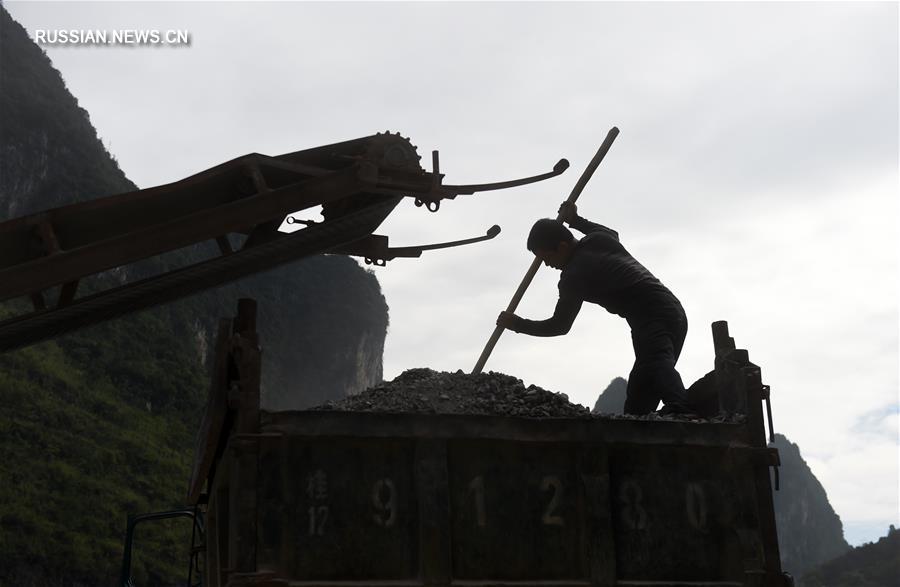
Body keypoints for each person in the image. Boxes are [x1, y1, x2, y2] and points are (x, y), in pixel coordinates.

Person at [496, 201, 692, 415]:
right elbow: (611, 232)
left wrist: (517, 324)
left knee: (656, 362)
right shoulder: (599, 239)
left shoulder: (574, 274)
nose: (547, 265)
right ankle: (640, 422)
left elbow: (560, 325)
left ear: (562, 247)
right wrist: (576, 220)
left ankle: (681, 409)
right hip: (673, 310)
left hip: (650, 313)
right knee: (641, 388)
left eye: (546, 257)